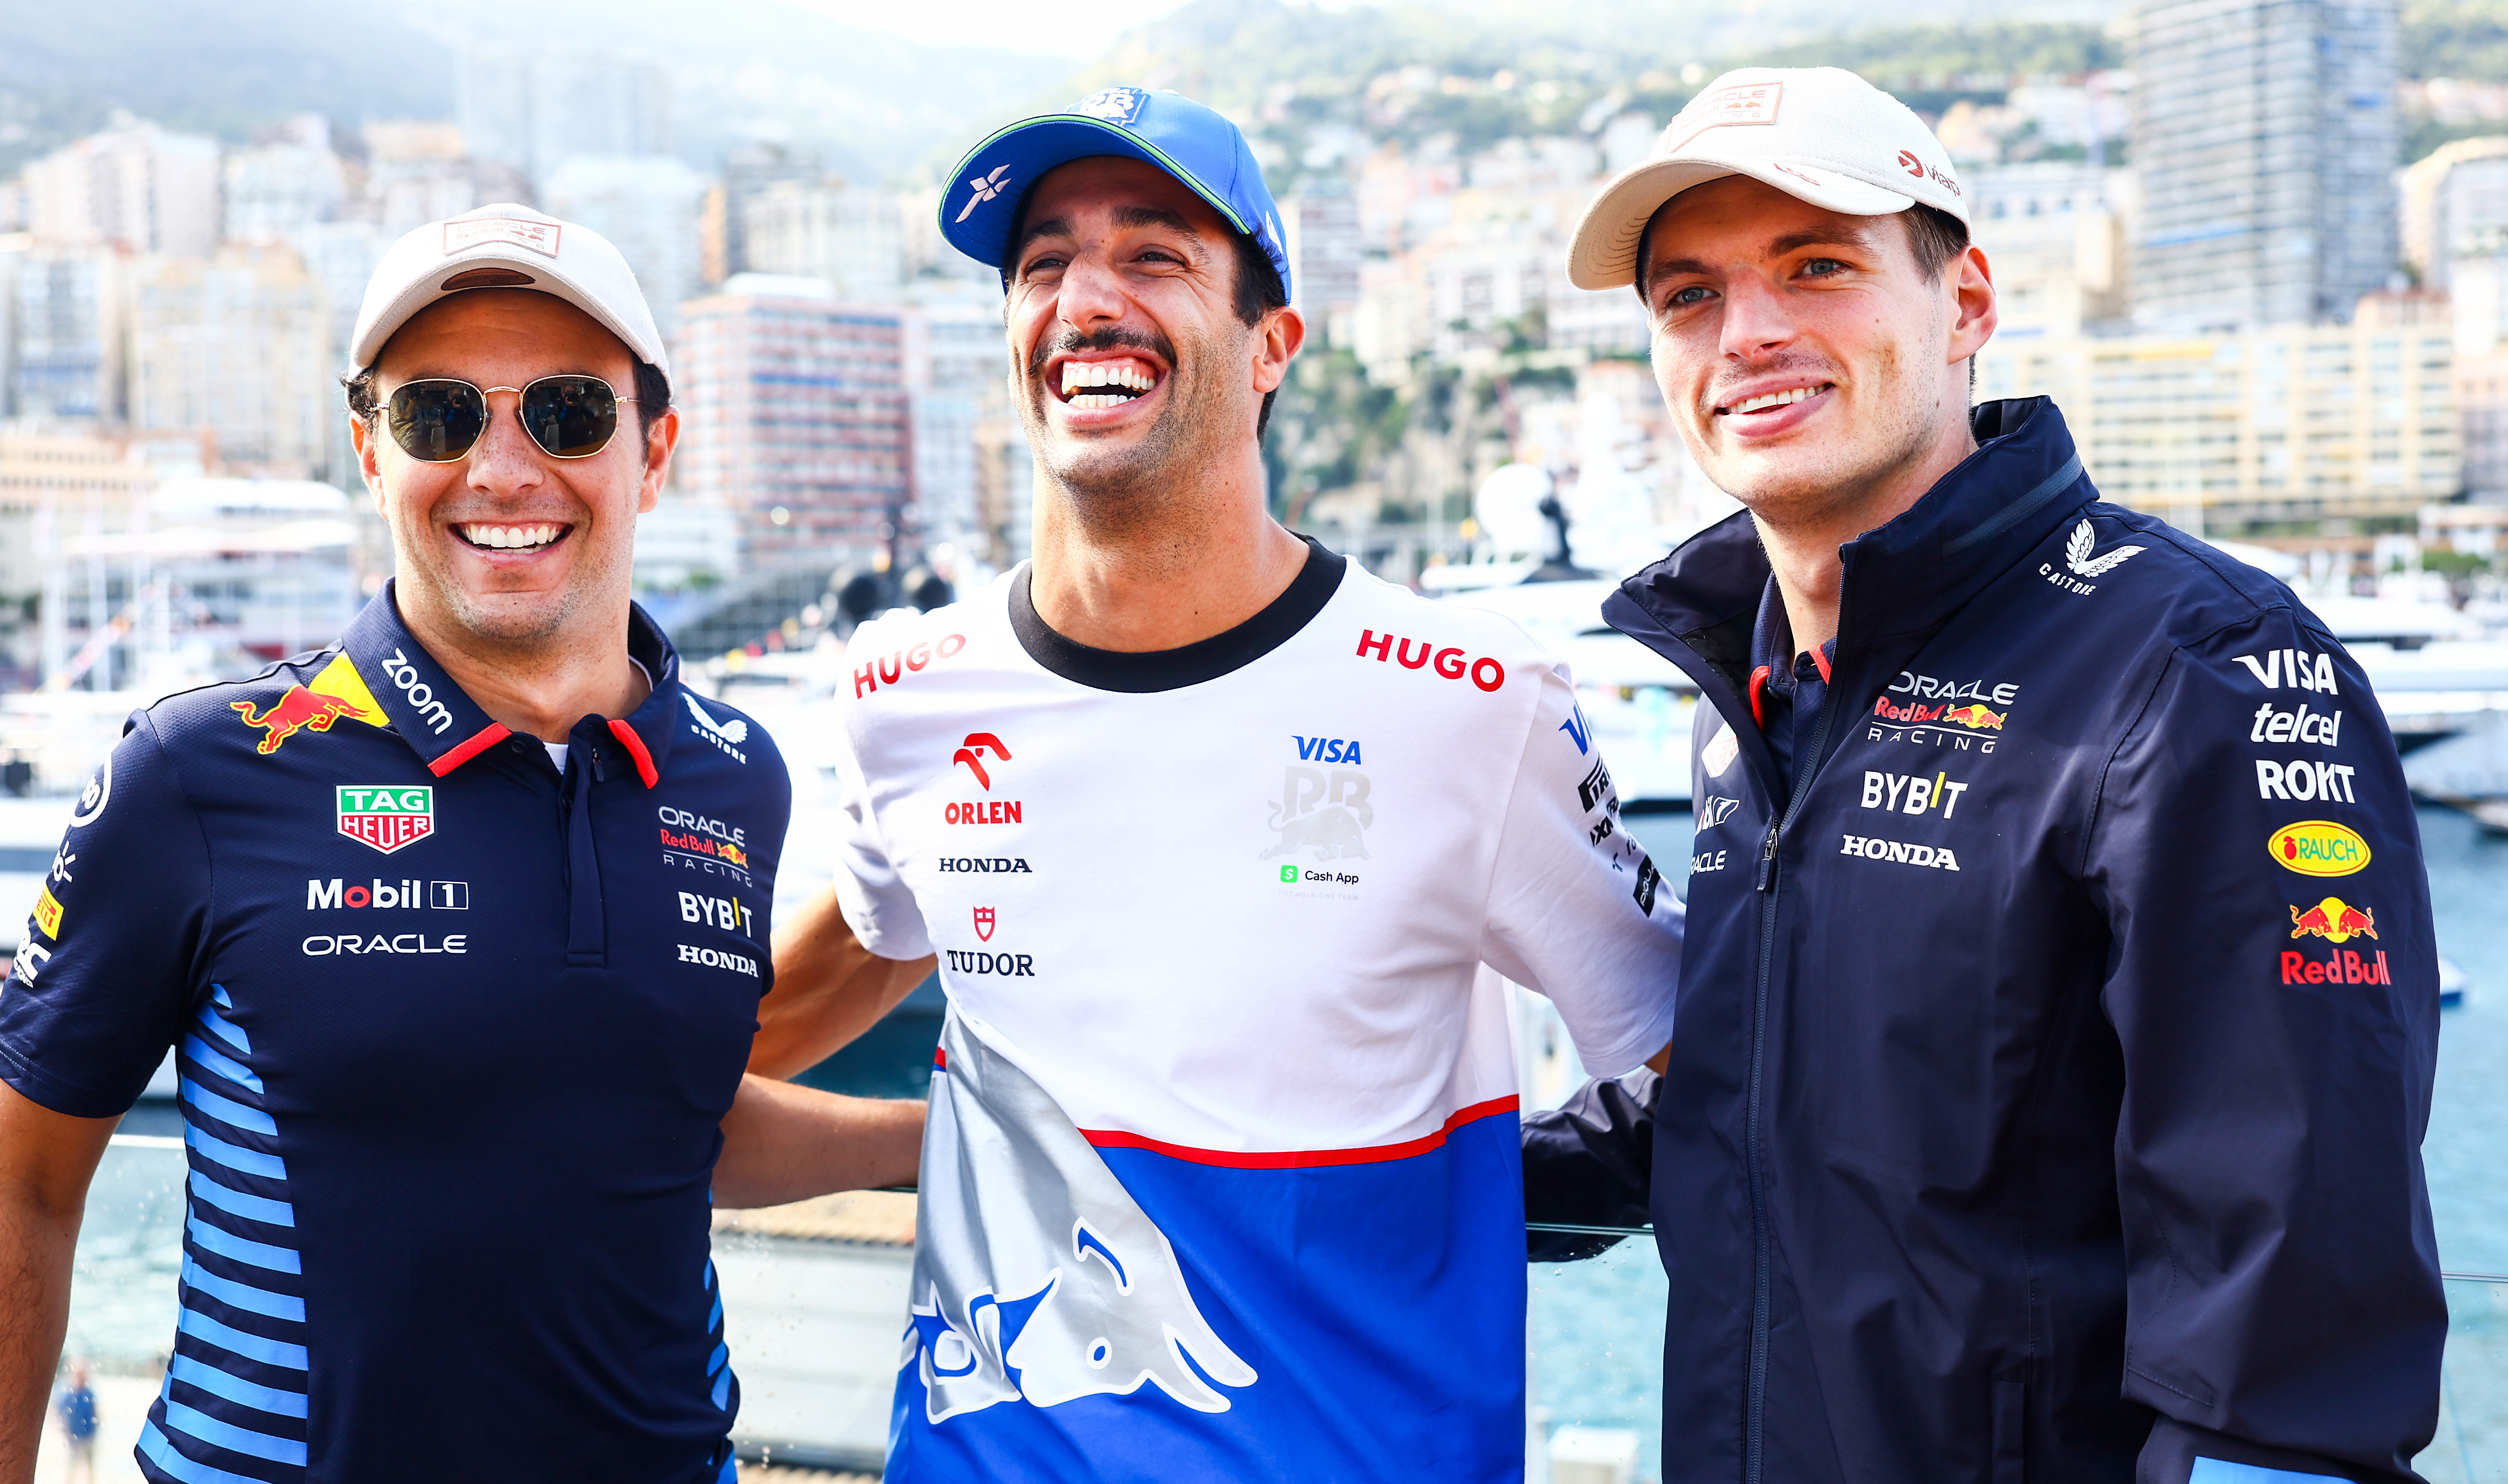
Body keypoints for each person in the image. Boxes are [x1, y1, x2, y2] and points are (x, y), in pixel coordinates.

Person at [742, 87, 1684, 1481]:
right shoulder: (904, 694)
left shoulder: (1471, 699)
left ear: (1269, 347)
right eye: (1043, 262)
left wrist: (1468, 1188)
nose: (1085, 298)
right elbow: (822, 984)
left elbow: (1698, 1070)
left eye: (1153, 254)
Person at [1529, 65, 2446, 1481]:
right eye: (1688, 296)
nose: (1748, 332)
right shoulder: (1752, 681)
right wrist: (1326, 1170)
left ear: (1963, 305)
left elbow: (2292, 1326)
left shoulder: (2193, 662)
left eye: (1815, 267)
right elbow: (1747, 1101)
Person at [0, 204, 924, 1484]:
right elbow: (16, 1186)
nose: (503, 467)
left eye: (567, 412)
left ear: (654, 449)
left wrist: (937, 1137)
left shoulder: (734, 776)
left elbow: (664, 1125)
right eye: (439, 415)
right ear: (371, 454)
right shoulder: (205, 770)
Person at [54, 1361, 96, 1482]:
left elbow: (95, 1412)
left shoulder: (89, 1393)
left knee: (90, 1466)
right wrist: (64, 1431)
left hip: (89, 1435)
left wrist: (95, 1432)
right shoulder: (68, 1395)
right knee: (71, 1466)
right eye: (79, 1375)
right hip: (74, 1436)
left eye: (84, 1375)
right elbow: (60, 1413)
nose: (82, 1378)